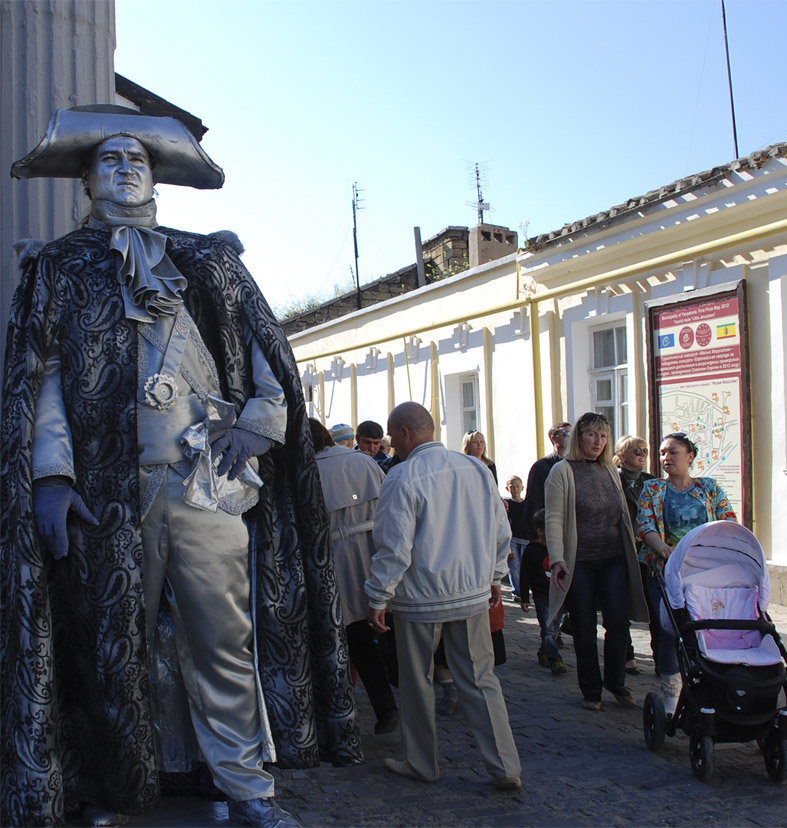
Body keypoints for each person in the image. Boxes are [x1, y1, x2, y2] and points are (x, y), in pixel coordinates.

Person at [2, 107, 360, 828]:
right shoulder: (60, 267)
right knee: (113, 646)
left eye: (136, 158)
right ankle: (113, 789)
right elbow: (45, 379)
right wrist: (52, 476)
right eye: (108, 159)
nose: (124, 168)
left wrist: (259, 428)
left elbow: (269, 363)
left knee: (222, 641)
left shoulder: (210, 262)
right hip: (108, 493)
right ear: (86, 179)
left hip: (207, 487)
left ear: (156, 176)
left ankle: (247, 787)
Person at [365, 402, 521, 789]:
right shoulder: (475, 469)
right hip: (470, 592)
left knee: (417, 682)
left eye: (392, 437)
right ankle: (505, 766)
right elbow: (500, 528)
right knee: (481, 678)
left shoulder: (403, 476)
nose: (392, 445)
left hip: (420, 598)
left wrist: (378, 596)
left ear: (405, 433)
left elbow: (393, 545)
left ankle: (422, 762)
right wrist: (495, 576)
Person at [545, 412, 648, 711]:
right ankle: (591, 690)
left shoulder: (610, 470)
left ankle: (616, 682)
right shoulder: (562, 471)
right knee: (585, 626)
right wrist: (557, 559)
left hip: (613, 557)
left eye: (603, 436)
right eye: (591, 434)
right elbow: (554, 519)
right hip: (580, 561)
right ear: (579, 437)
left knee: (618, 623)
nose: (598, 441)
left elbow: (623, 515)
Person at [309, 419, 399, 736]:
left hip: (334, 563)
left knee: (350, 639)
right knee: (380, 630)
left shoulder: (310, 470)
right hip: (374, 555)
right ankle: (392, 703)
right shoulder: (361, 461)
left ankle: (349, 712)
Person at [636, 433, 735, 711]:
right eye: (662, 453)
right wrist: (663, 548)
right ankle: (671, 693)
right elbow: (645, 526)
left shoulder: (708, 488)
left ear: (690, 457)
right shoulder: (653, 489)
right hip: (667, 570)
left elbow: (727, 521)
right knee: (670, 629)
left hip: (704, 571)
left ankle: (708, 684)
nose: (666, 458)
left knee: (706, 627)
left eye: (673, 452)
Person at [614, 435, 655, 676]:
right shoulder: (613, 479)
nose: (642, 454)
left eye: (645, 450)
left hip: (649, 553)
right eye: (636, 450)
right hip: (622, 550)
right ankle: (627, 655)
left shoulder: (651, 481)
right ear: (622, 456)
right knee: (622, 606)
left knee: (656, 606)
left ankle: (661, 658)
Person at [519, 509, 566, 675]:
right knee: (548, 630)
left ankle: (543, 653)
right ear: (540, 531)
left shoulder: (562, 549)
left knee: (554, 629)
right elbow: (524, 575)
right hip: (541, 595)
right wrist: (524, 598)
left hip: (558, 596)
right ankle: (555, 660)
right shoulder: (532, 550)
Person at [523, 421, 572, 541]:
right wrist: (536, 537)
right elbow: (533, 503)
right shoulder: (541, 466)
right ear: (554, 438)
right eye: (566, 434)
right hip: (551, 531)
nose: (571, 437)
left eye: (573, 434)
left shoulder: (578, 464)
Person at [504, 475, 528, 601]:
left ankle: (524, 590)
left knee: (525, 567)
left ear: (522, 488)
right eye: (512, 487)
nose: (515, 489)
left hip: (525, 539)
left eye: (517, 486)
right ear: (507, 489)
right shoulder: (507, 505)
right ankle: (517, 591)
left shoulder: (526, 504)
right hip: (513, 539)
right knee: (514, 566)